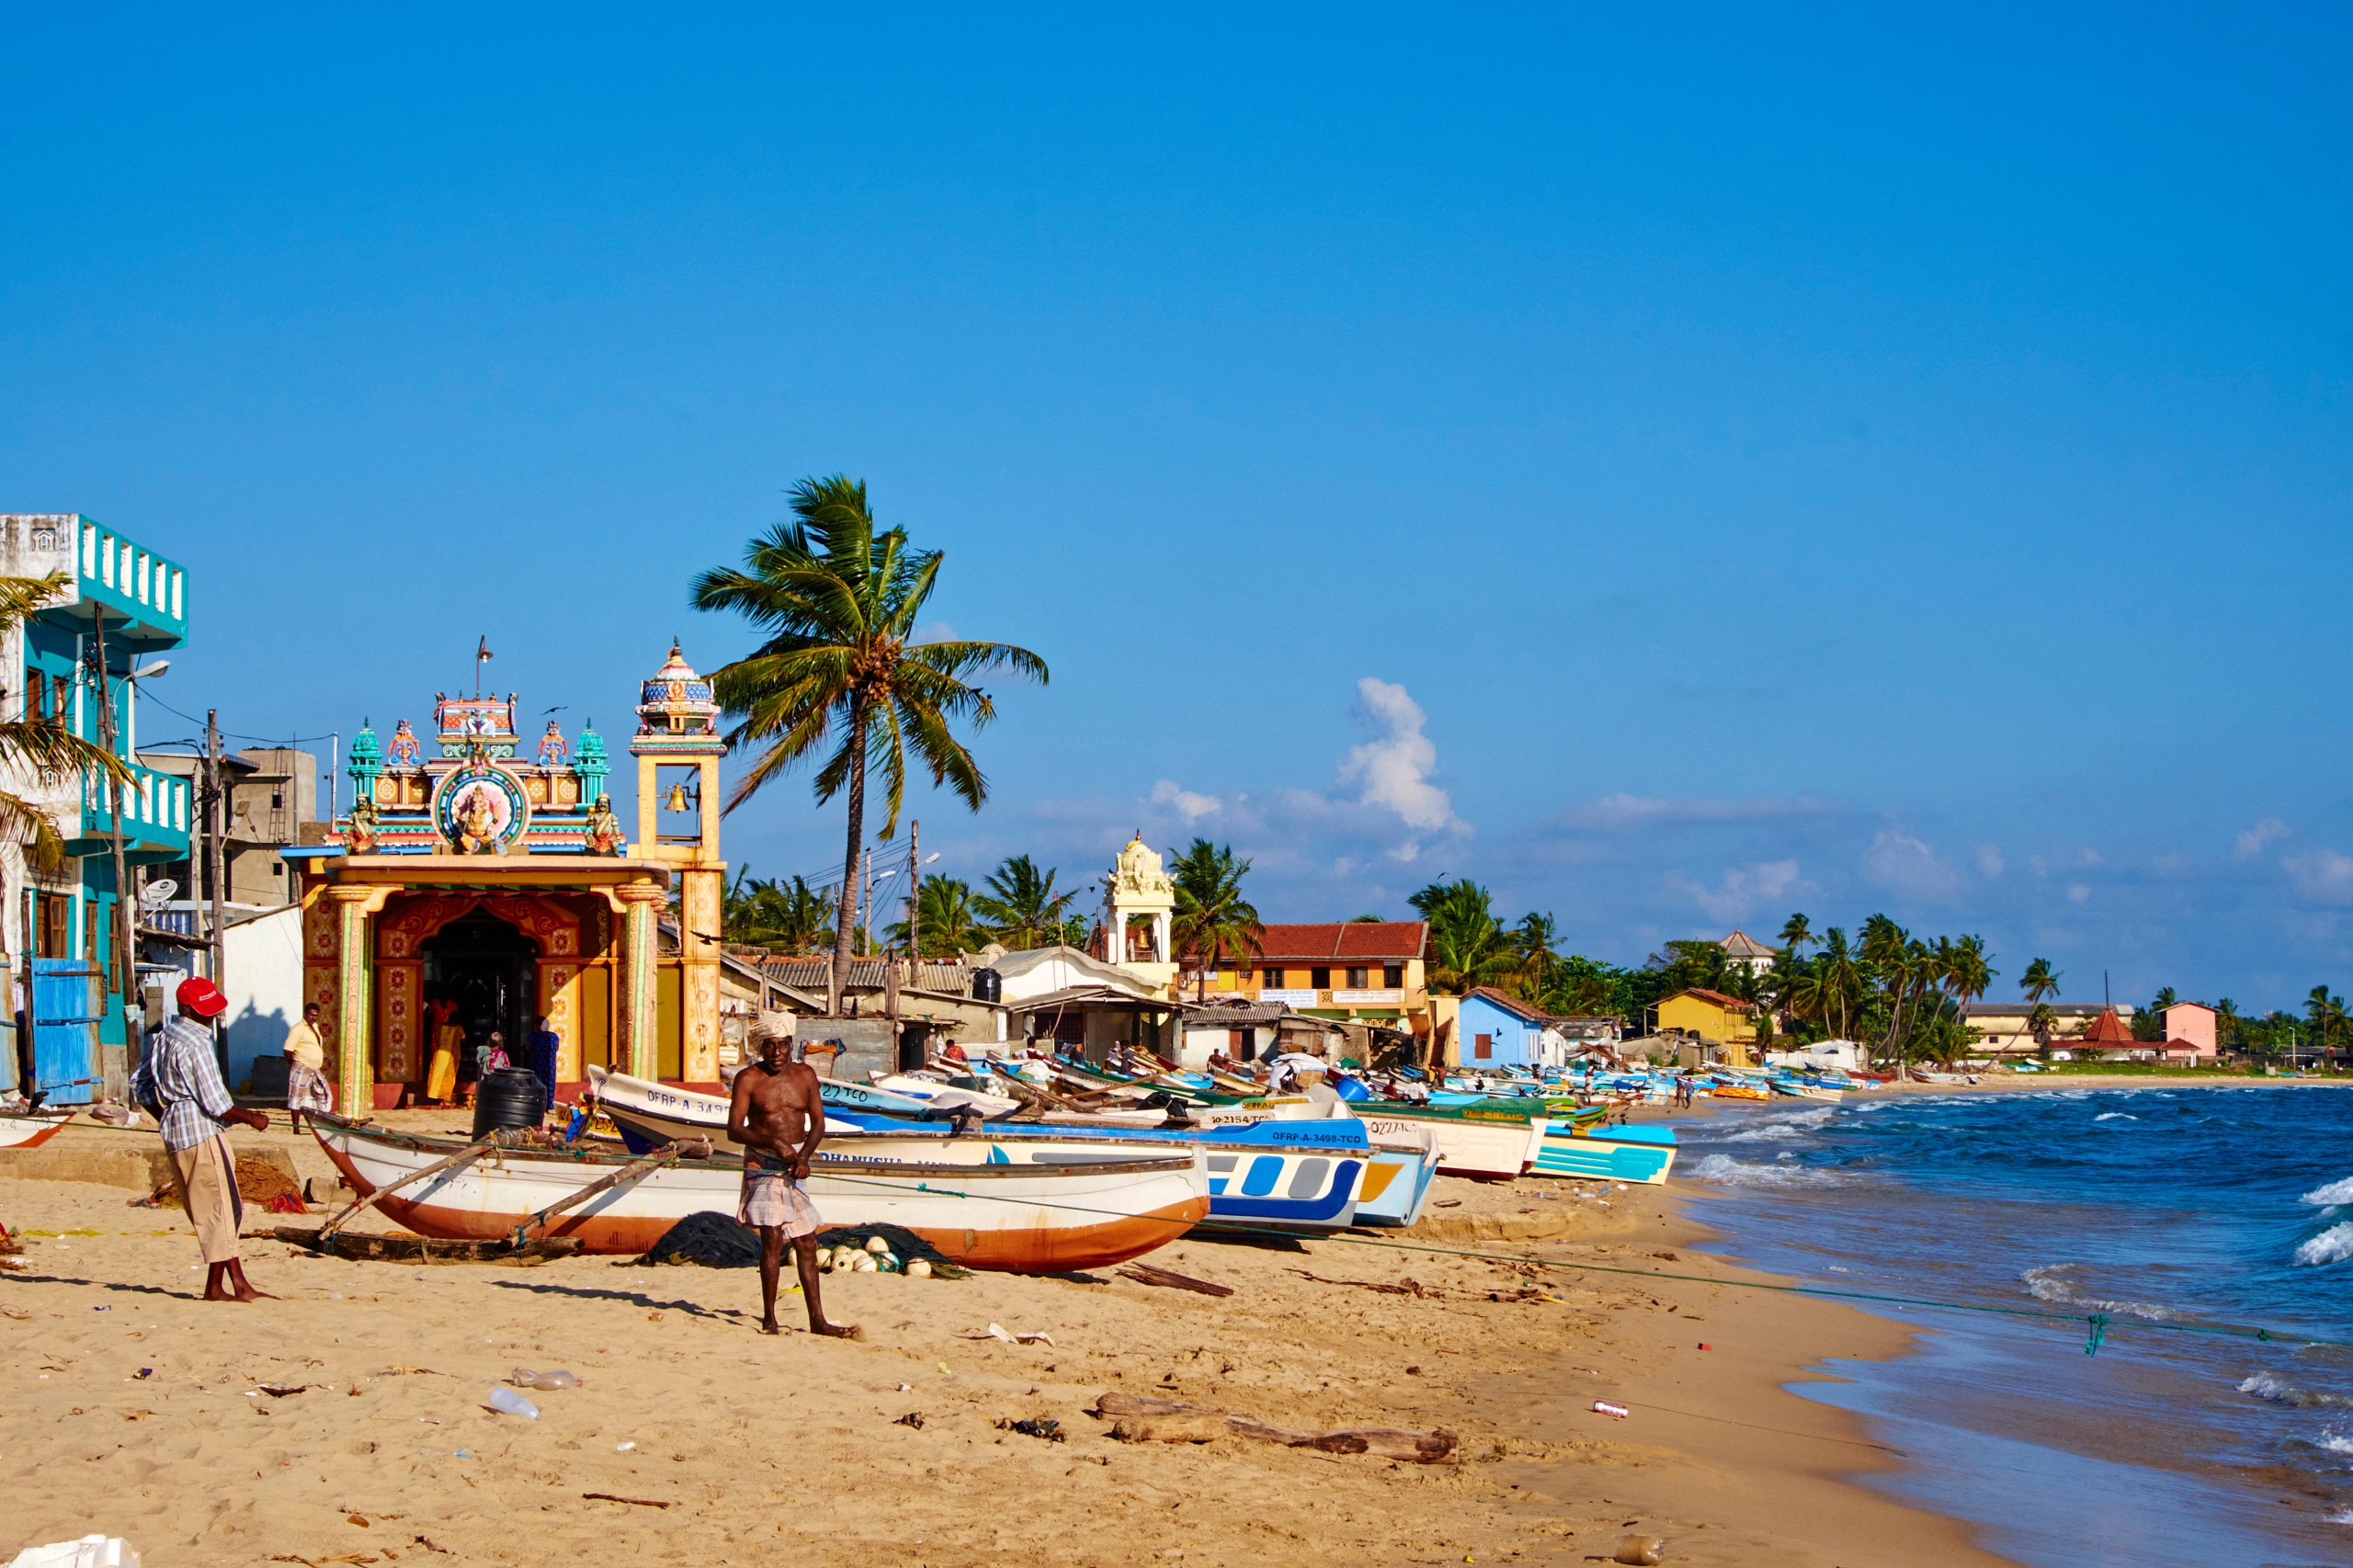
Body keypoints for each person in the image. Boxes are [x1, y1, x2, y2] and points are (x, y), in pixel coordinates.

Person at [131, 977, 272, 1303]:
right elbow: (217, 1103)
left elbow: (139, 1084)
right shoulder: (196, 1042)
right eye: (205, 1011)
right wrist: (252, 1118)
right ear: (189, 1010)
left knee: (218, 1210)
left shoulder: (165, 1035)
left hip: (177, 1133)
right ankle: (215, 1289)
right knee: (221, 1210)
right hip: (202, 1133)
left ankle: (237, 1284)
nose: (211, 1017)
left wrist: (166, 1115)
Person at [725, 1022, 857, 1340]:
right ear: (760, 1048)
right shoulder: (748, 1079)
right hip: (763, 1161)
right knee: (771, 1238)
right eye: (770, 1046)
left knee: (807, 1241)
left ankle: (817, 1321)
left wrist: (804, 1157)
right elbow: (734, 1129)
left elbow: (818, 1123)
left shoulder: (805, 1076)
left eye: (783, 1045)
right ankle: (770, 1319)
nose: (777, 1053)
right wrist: (775, 1144)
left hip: (796, 1164)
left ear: (791, 1044)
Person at [284, 1001, 333, 1131]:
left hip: (314, 1068)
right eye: (311, 1015)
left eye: (316, 1015)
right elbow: (288, 1049)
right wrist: (292, 1063)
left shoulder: (315, 1026)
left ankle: (322, 1125)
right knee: (296, 1096)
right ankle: (296, 1128)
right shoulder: (298, 1028)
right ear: (305, 1014)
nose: (313, 1018)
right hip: (301, 1065)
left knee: (322, 1093)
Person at [425, 997, 461, 1105]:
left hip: (439, 1052)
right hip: (450, 1054)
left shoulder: (440, 1027)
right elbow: (463, 1038)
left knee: (437, 1074)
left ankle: (436, 1097)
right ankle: (444, 1099)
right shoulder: (458, 1028)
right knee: (448, 1077)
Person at [527, 1014, 562, 1098]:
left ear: (537, 1025)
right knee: (549, 1085)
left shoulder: (533, 1037)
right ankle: (549, 1105)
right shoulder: (554, 1036)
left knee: (537, 1084)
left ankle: (537, 1103)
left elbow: (528, 1048)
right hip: (549, 1066)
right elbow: (556, 1047)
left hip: (536, 1064)